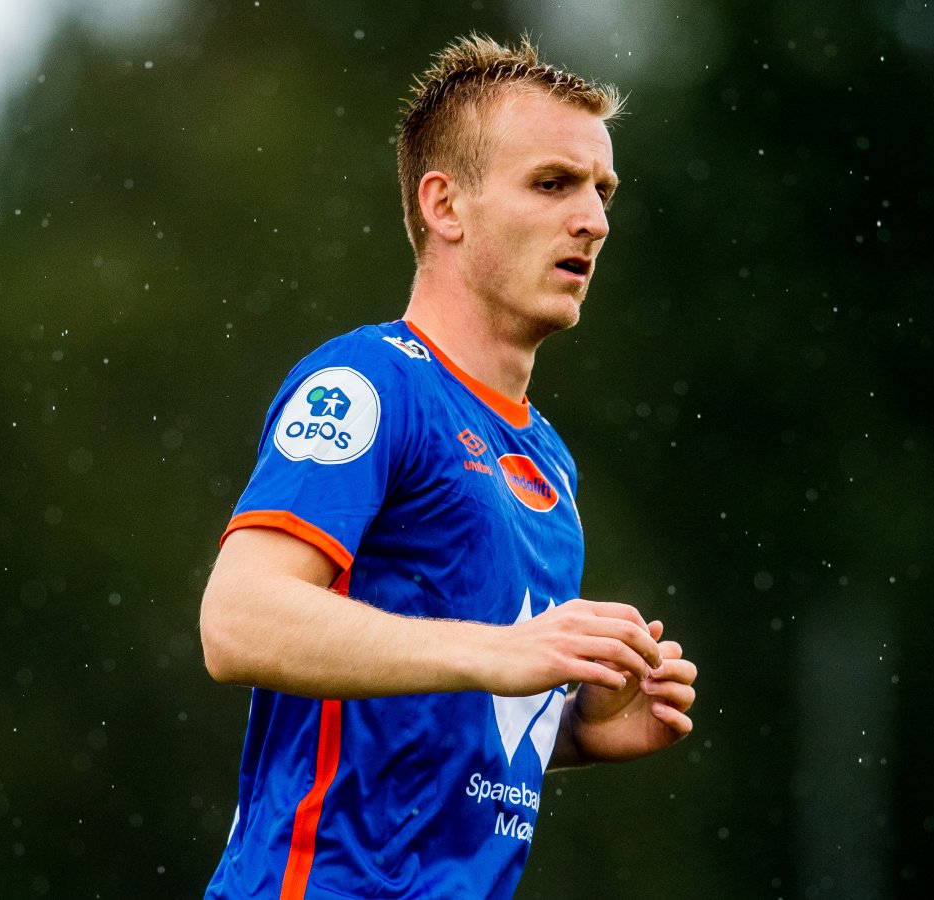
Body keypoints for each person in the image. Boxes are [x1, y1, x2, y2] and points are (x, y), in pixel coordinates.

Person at [199, 34, 698, 899]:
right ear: (445, 205)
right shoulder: (369, 383)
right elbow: (237, 621)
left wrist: (576, 726)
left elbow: (443, 710)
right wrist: (503, 651)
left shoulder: (547, 460)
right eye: (553, 184)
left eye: (603, 191)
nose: (594, 220)